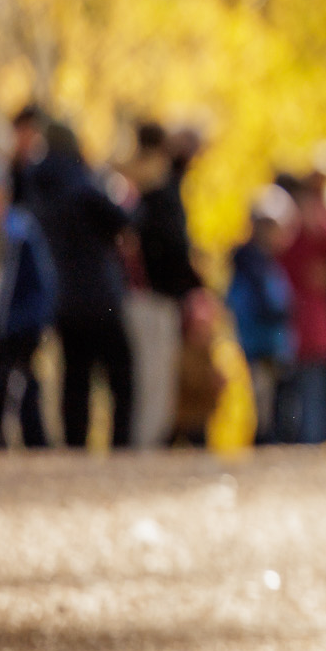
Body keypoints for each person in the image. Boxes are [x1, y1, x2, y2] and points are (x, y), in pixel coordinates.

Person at [29, 122, 137, 449]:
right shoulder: (80, 182)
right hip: (99, 295)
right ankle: (120, 445)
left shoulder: (36, 183)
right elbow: (121, 221)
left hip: (61, 296)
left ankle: (75, 445)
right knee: (120, 373)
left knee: (75, 376)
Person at [0, 150, 59, 449]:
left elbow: (42, 291)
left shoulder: (21, 236)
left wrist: (26, 328)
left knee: (16, 394)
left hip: (12, 335)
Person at [127, 122, 204, 449]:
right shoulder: (155, 196)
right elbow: (173, 250)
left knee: (154, 384)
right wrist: (196, 282)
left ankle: (147, 447)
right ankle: (144, 451)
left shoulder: (145, 196)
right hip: (152, 299)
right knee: (152, 383)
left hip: (151, 298)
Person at [278, 171, 326, 444]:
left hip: (316, 332)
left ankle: (313, 448)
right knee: (294, 404)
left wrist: (323, 229)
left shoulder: (323, 230)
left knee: (315, 401)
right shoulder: (286, 232)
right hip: (290, 331)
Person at [226, 186, 296, 441]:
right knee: (262, 411)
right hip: (258, 347)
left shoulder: (269, 262)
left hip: (273, 348)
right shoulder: (248, 262)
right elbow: (266, 304)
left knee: (277, 410)